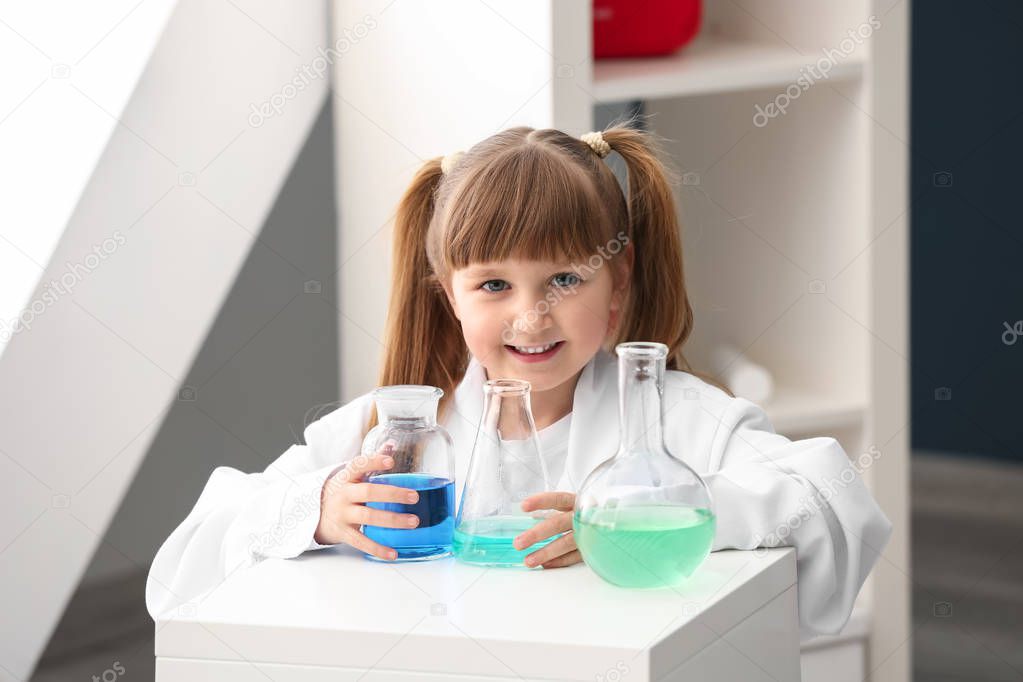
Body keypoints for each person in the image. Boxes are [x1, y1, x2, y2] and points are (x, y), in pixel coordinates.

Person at [146, 119, 892, 638]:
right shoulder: (385, 438)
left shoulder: (678, 421)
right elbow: (179, 575)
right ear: (446, 291)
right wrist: (313, 509)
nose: (532, 318)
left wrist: (661, 516)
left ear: (619, 283)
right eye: (494, 286)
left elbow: (833, 503)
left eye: (564, 278)